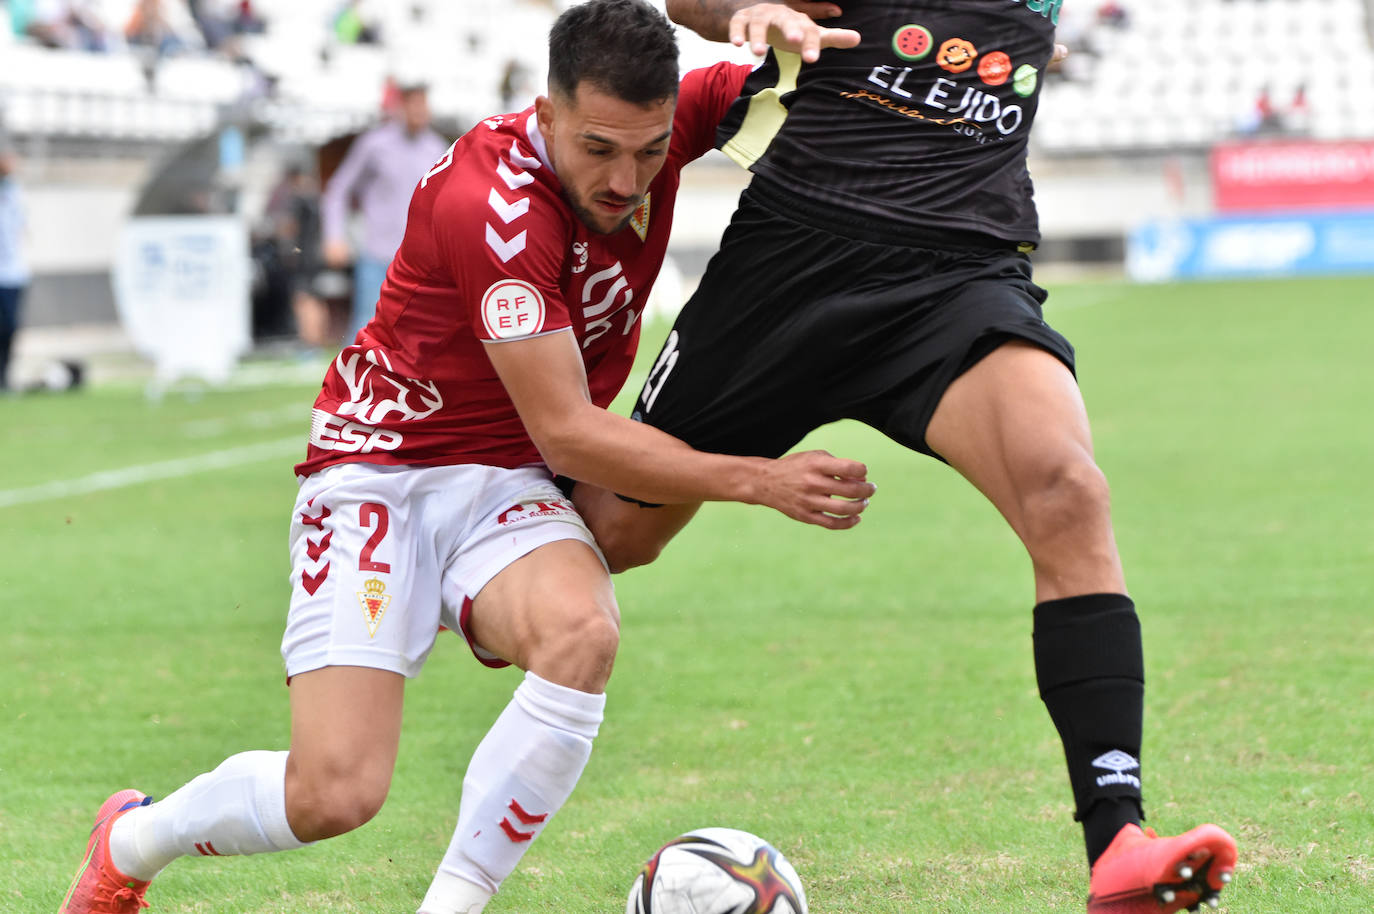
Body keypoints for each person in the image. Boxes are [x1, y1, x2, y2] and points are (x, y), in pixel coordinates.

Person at [56, 3, 872, 914]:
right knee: (335, 795)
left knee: (582, 632)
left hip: (502, 484)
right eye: (599, 148)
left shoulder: (656, 127)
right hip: (379, 475)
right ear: (548, 111)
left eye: (648, 152)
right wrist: (760, 481)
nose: (627, 178)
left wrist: (850, 34)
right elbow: (568, 431)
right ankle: (129, 838)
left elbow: (817, 80)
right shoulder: (494, 206)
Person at [569, 3, 1239, 913]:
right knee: (610, 534)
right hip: (794, 262)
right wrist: (740, 10)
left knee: (1069, 490)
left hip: (957, 272)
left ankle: (1119, 840)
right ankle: (415, 582)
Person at [320, 79, 448, 345]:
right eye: (413, 103)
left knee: (419, 335)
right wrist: (334, 236)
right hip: (377, 255)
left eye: (423, 103)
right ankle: (349, 386)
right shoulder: (374, 145)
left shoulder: (436, 148)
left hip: (420, 260)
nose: (419, 110)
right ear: (400, 106)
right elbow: (338, 189)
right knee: (368, 327)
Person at [0, 144, 28, 392]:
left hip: (11, 274)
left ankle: (4, 375)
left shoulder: (15, 193)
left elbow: (21, 229)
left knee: (9, 328)